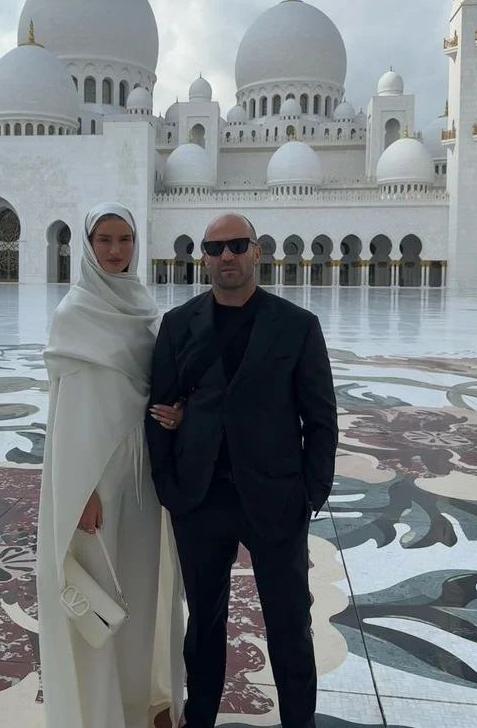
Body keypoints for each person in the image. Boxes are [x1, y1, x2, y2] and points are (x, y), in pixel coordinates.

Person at [145, 213, 338, 728]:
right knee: (204, 624)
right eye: (214, 248)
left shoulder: (296, 326)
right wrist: (169, 486)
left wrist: (310, 493)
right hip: (200, 499)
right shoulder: (179, 324)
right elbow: (159, 410)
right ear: (202, 257)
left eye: (236, 245)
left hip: (274, 497)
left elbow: (320, 419)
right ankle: (200, 718)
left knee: (289, 622)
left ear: (257, 252)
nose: (225, 256)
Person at [37, 202, 185, 728]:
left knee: (140, 593)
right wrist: (79, 493)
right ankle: (97, 714)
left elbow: (154, 387)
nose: (116, 250)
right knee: (98, 602)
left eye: (124, 239)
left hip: (142, 477)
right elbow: (68, 418)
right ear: (88, 245)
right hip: (93, 483)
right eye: (104, 239)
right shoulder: (73, 314)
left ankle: (136, 703)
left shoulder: (143, 306)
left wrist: (175, 413)